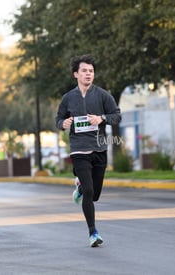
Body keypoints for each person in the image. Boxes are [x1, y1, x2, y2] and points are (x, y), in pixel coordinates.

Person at [55, 54, 122, 247]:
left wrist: (101, 118)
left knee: (95, 195)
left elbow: (116, 116)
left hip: (99, 149)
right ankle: (93, 232)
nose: (88, 74)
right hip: (79, 150)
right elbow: (59, 119)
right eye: (84, 71)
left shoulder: (102, 95)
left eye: (91, 71)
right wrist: (63, 123)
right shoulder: (68, 98)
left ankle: (80, 186)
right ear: (76, 74)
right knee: (89, 190)